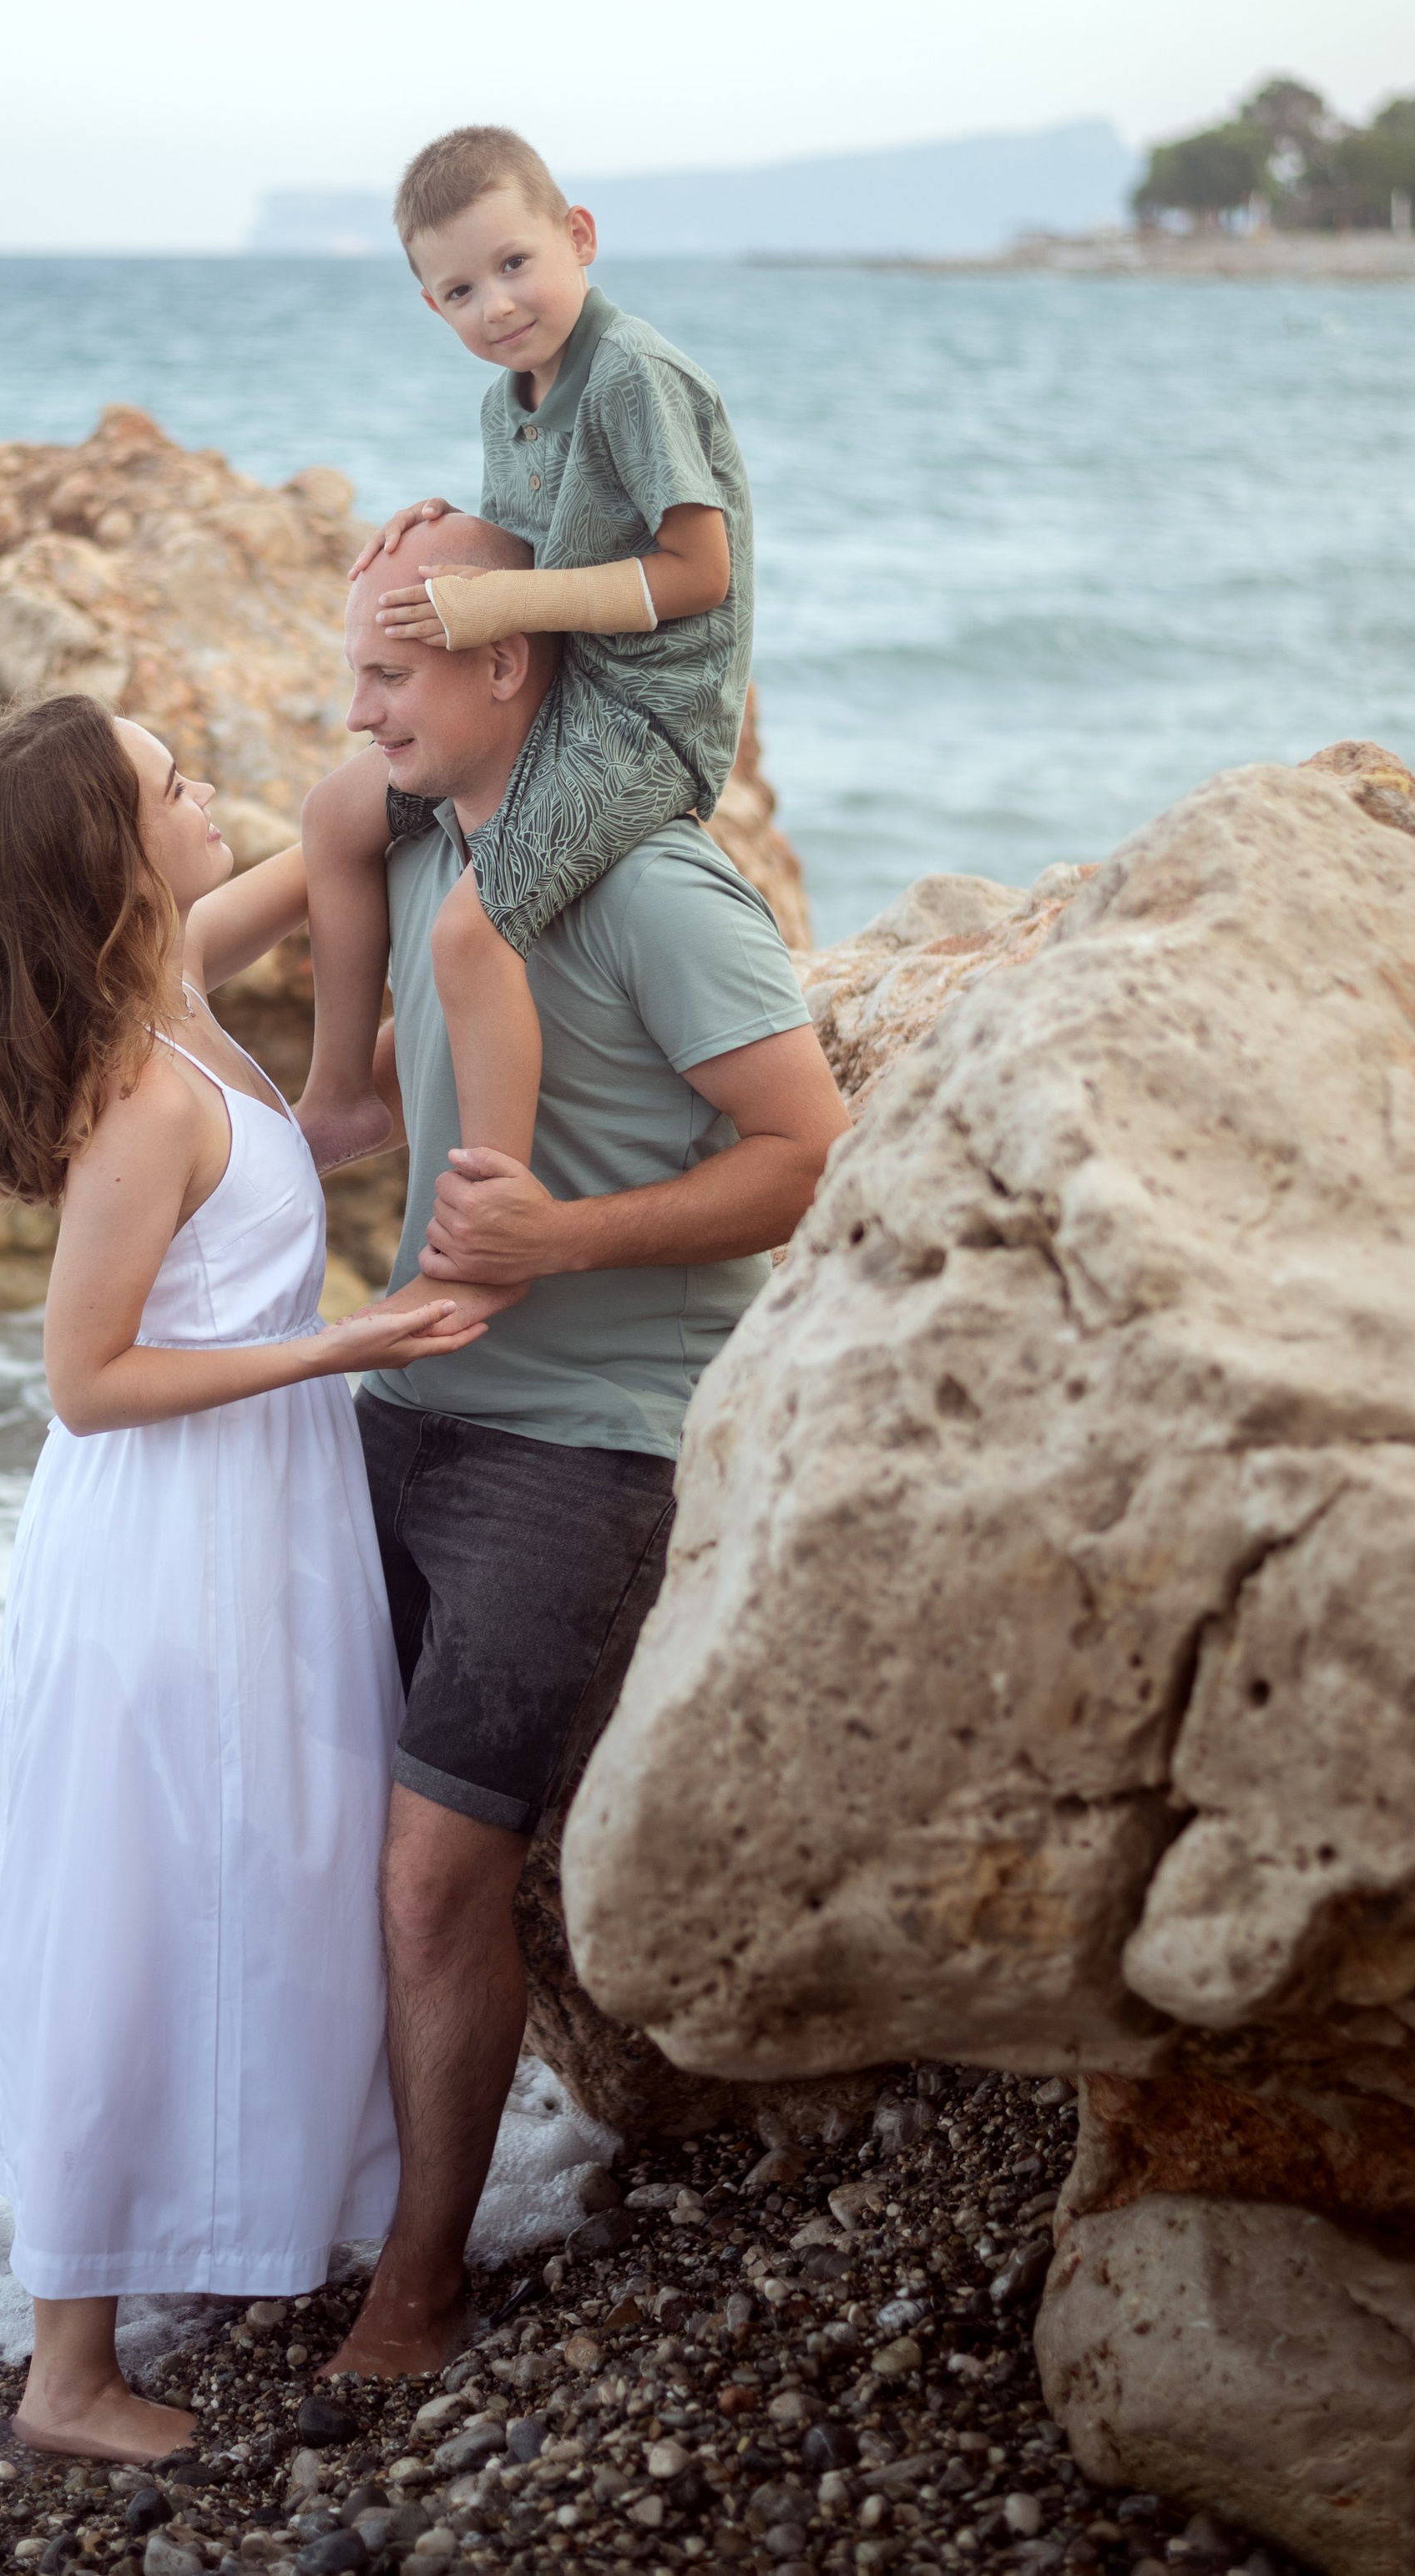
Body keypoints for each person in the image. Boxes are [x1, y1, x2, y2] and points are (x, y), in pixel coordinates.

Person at [0, 692, 486, 2462]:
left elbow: (331, 839)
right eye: (167, 782)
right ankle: (64, 2374)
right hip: (171, 1545)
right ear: (110, 849)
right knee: (133, 1904)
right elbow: (84, 1382)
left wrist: (450, 672)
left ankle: (228, 2216)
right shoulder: (144, 1089)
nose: (199, 784)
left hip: (247, 1527)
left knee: (251, 1874)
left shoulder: (166, 985)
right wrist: (343, 1343)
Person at [321, 518, 852, 2378]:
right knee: (294, 1821)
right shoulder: (416, 849)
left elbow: (807, 1154)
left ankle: (420, 2280)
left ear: (507, 662)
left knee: (423, 1872)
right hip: (401, 1406)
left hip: (592, 1445)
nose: (360, 704)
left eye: (393, 667)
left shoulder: (643, 885)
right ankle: (269, 2196)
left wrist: (561, 1240)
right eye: (355, 668)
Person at [296, 124, 752, 1190]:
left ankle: (493, 1200)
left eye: (514, 265)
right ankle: (340, 1100)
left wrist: (504, 595)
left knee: (469, 932)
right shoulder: (507, 402)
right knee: (334, 816)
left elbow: (698, 572)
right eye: (459, 292)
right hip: (560, 688)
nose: (495, 305)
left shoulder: (633, 375)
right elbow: (538, 546)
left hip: (645, 718)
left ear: (577, 237)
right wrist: (447, 524)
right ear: (431, 306)